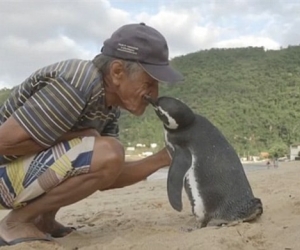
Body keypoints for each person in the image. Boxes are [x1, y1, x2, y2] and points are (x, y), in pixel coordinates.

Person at [0, 22, 183, 246]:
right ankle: (14, 223)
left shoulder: (108, 107)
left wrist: (164, 158)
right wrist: (84, 136)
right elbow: (4, 142)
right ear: (117, 72)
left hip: (15, 179)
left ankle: (42, 219)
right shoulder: (77, 82)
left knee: (106, 150)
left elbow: (106, 173)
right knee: (105, 148)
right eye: (149, 82)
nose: (154, 94)